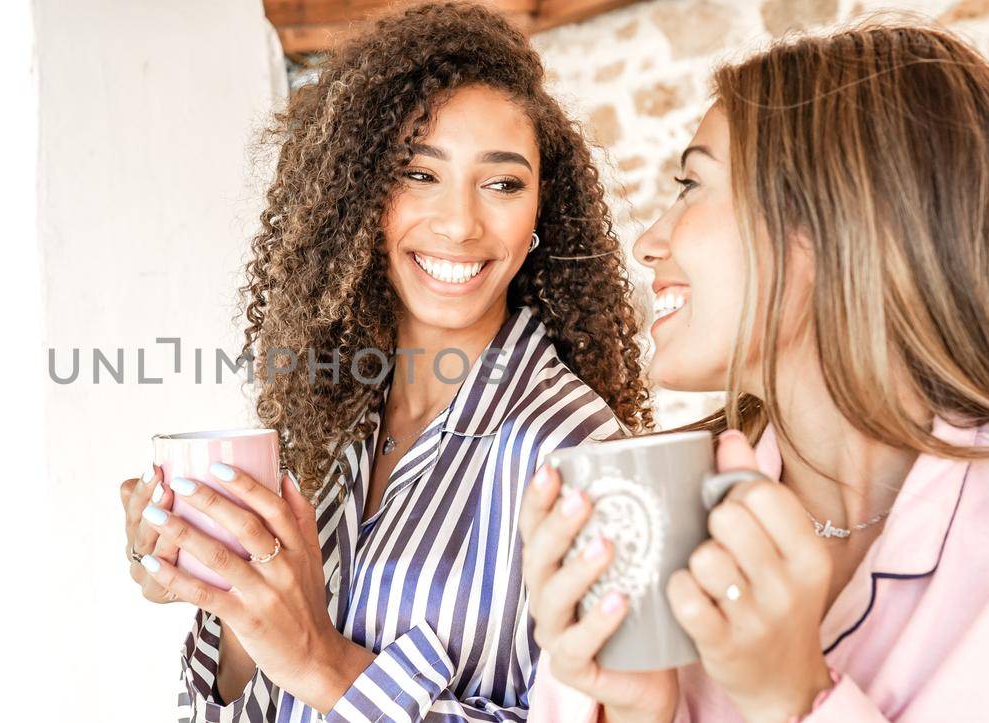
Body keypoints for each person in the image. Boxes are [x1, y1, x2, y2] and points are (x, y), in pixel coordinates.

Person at [520, 23, 989, 722]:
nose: (649, 239)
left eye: (692, 184)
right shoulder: (651, 530)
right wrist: (635, 710)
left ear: (842, 216)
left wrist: (797, 700)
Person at [115, 3, 654, 720]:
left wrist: (321, 661)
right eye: (419, 175)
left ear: (539, 220)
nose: (460, 222)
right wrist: (230, 594)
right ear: (361, 199)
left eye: (502, 183)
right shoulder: (331, 423)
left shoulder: (580, 456)